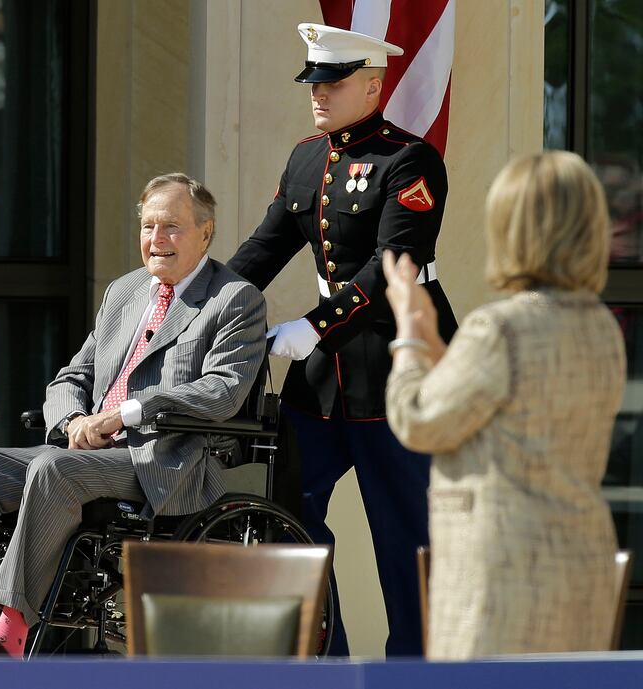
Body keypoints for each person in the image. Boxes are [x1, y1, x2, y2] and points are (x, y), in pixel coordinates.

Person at [0, 173, 267, 657]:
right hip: (87, 452)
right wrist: (73, 420)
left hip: (162, 459)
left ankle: (9, 634)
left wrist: (125, 414)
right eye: (148, 227)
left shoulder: (233, 299)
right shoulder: (125, 292)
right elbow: (71, 376)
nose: (156, 240)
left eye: (171, 227)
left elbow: (222, 390)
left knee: (51, 468)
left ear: (206, 232)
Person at [227, 23, 456, 656]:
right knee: (289, 516)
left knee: (405, 532)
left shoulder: (409, 160)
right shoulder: (307, 157)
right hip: (324, 375)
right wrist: (195, 304)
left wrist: (311, 326)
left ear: (374, 86)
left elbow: (393, 265)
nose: (318, 94)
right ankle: (327, 659)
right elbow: (263, 249)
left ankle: (413, 670)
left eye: (333, 82)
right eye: (314, 82)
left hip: (397, 360)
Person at [384, 151, 625, 659]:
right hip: (582, 562)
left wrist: (406, 336)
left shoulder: (500, 328)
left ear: (511, 229)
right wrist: (433, 340)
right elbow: (494, 406)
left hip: (502, 575)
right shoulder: (602, 327)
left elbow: (417, 420)